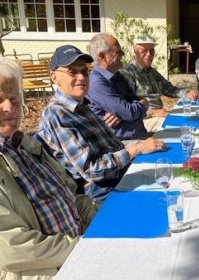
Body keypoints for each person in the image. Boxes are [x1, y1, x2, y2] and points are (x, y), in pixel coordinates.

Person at [0, 59, 98, 279]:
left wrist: (103, 221)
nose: (9, 107)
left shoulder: (25, 145)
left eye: (14, 98)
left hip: (78, 248)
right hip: (47, 271)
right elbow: (14, 249)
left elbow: (72, 194)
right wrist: (86, 247)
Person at [37, 45, 167, 203]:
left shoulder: (82, 105)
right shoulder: (57, 114)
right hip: (102, 189)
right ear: (54, 77)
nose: (81, 77)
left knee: (168, 164)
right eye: (72, 71)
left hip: (120, 171)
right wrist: (137, 149)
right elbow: (92, 170)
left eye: (85, 72)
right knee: (167, 193)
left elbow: (131, 105)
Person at [120, 35, 198, 132]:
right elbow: (125, 108)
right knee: (185, 130)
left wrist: (187, 93)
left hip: (160, 116)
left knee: (193, 122)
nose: (149, 54)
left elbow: (170, 89)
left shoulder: (152, 72)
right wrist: (151, 113)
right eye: (144, 50)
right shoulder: (128, 74)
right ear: (135, 51)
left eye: (152, 51)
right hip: (144, 121)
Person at [87, 33, 150, 146]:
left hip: (137, 136)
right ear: (102, 56)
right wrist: (129, 109)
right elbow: (129, 113)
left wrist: (138, 104)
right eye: (117, 51)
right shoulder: (97, 83)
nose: (123, 54)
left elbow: (137, 101)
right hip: (121, 143)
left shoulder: (117, 76)